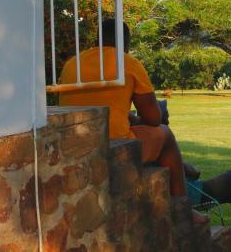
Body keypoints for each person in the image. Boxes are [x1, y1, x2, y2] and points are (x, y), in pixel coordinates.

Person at [57, 20, 194, 211]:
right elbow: (154, 118)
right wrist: (143, 116)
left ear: (98, 39)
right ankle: (184, 207)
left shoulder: (72, 64)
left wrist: (130, 117)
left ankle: (184, 170)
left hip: (72, 143)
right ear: (126, 44)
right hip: (112, 146)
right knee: (166, 135)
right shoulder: (128, 63)